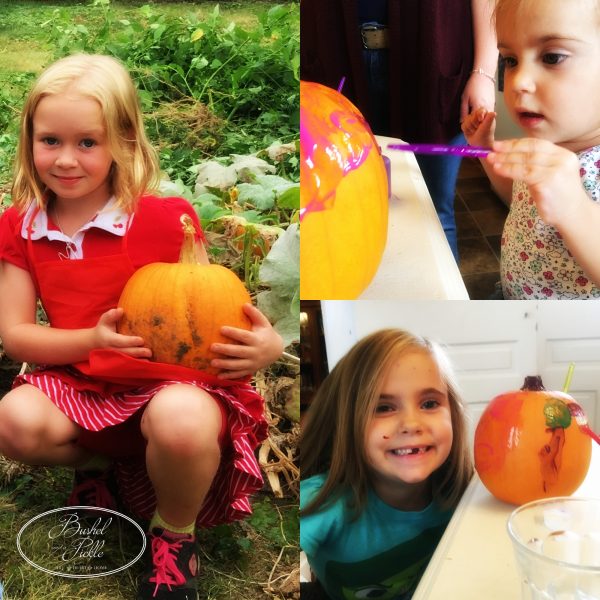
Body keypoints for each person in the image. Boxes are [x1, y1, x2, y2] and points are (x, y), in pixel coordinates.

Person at [0, 53, 283, 599]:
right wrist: (91, 341)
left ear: (123, 142)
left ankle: (174, 535)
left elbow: (216, 307)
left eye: (87, 142)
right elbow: (15, 335)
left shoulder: (163, 219)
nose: (65, 159)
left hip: (173, 390)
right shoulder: (20, 225)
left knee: (179, 418)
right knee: (12, 421)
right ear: (29, 139)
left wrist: (267, 344)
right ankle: (103, 466)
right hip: (83, 385)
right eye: (50, 140)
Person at [300, 0, 498, 262]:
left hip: (433, 65)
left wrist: (483, 73)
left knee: (433, 213)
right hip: (333, 61)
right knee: (343, 210)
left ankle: (438, 304)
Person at [300, 329, 473, 600]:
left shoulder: (465, 491)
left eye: (429, 403)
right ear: (346, 423)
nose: (411, 424)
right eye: (383, 408)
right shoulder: (322, 501)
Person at [461, 0, 600, 299]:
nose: (519, 82)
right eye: (511, 60)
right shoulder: (541, 146)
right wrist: (485, 150)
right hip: (515, 300)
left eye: (552, 57)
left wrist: (575, 209)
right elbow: (518, 200)